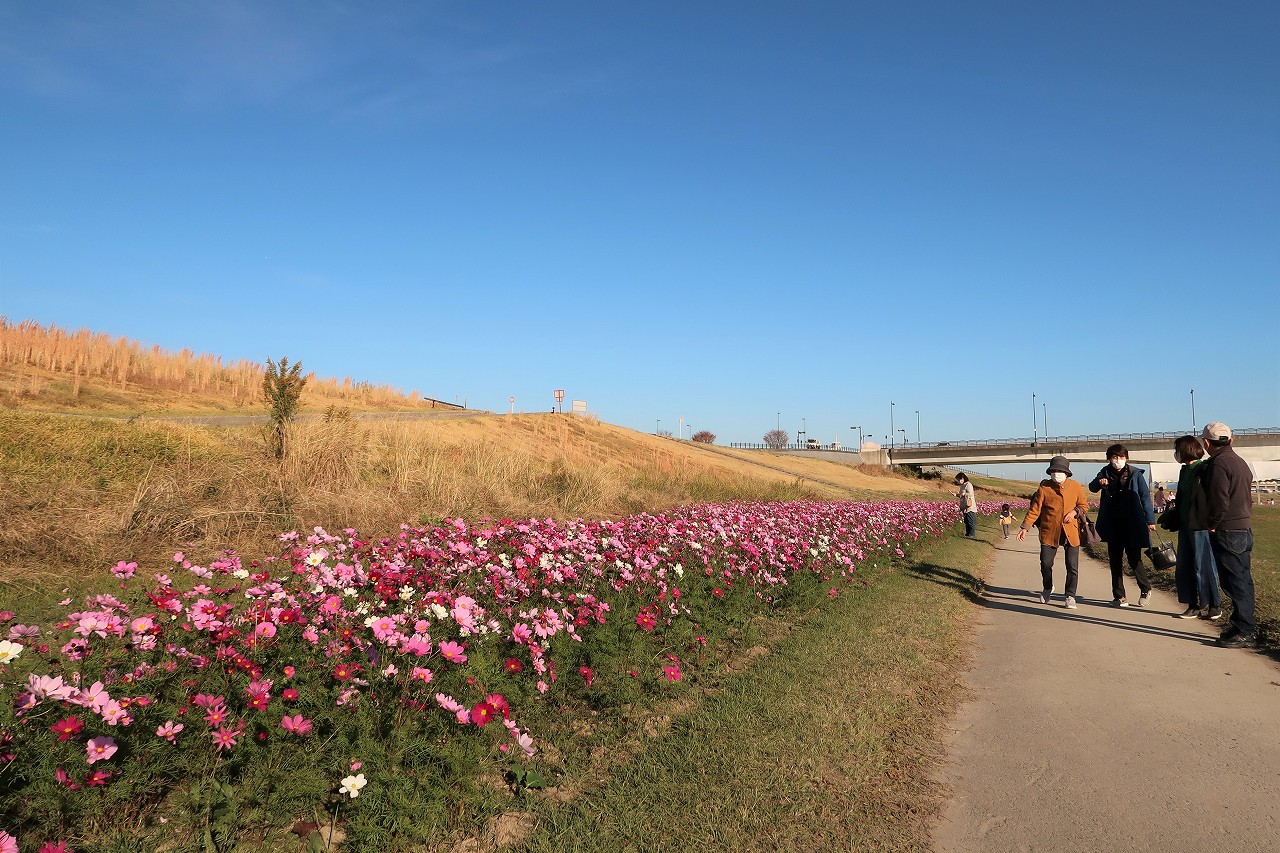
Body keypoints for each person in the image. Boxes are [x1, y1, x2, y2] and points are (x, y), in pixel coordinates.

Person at [1200, 422, 1257, 648]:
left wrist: (1212, 523)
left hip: (1227, 528)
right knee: (1243, 578)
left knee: (1235, 581)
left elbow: (1219, 500)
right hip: (1243, 526)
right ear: (1231, 440)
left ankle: (1245, 630)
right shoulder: (1239, 462)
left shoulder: (1219, 464)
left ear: (1206, 443)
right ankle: (1242, 624)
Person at [1089, 443, 1156, 608]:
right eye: (1114, 457)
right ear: (1109, 459)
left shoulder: (1135, 474)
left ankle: (1145, 589)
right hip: (1113, 523)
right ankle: (1119, 596)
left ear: (1126, 458)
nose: (1117, 461)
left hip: (1132, 522)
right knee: (1115, 560)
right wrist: (1099, 482)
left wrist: (1150, 520)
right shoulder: (1104, 472)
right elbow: (1092, 487)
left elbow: (1144, 497)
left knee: (1134, 558)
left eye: (1121, 457)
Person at [1018, 456, 1090, 609]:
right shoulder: (1044, 488)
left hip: (1071, 532)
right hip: (1049, 531)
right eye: (1054, 471)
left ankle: (1070, 595)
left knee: (1072, 566)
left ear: (1066, 473)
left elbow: (1084, 505)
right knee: (1045, 563)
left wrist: (1074, 513)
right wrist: (1025, 527)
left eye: (1060, 471)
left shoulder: (1076, 487)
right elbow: (1034, 510)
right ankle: (1047, 587)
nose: (1056, 473)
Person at [1171, 435, 1222, 620]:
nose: (1175, 454)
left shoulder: (1204, 468)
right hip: (1185, 524)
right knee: (1184, 565)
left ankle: (1214, 604)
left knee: (1204, 564)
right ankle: (1192, 604)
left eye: (1177, 450)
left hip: (1200, 525)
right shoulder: (1184, 471)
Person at [955, 473, 977, 538]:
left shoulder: (968, 484)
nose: (958, 481)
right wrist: (956, 495)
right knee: (966, 521)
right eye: (958, 480)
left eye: (959, 479)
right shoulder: (962, 485)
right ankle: (968, 533)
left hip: (969, 505)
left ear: (963, 478)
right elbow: (961, 495)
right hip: (964, 505)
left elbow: (970, 494)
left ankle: (972, 534)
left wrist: (964, 494)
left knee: (970, 520)